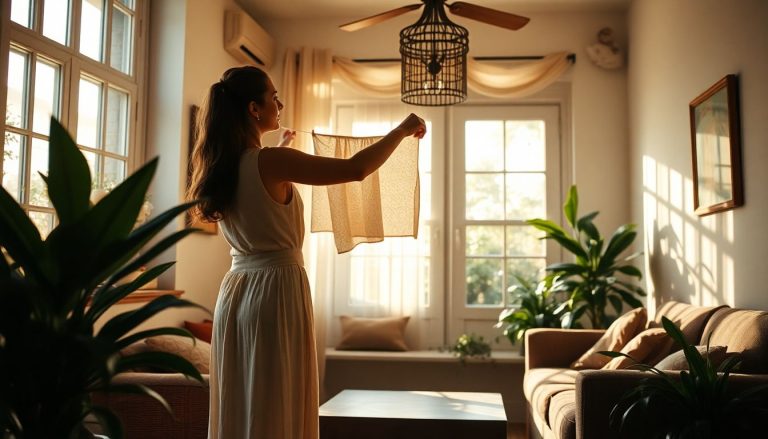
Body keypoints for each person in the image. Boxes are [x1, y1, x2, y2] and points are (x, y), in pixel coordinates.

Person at [186, 65, 426, 439]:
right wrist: (400, 130)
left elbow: (257, 202)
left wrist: (281, 150)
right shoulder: (270, 161)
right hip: (275, 289)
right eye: (273, 96)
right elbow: (355, 169)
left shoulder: (223, 168)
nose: (280, 104)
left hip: (236, 293)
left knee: (245, 397)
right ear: (253, 109)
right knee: (277, 398)